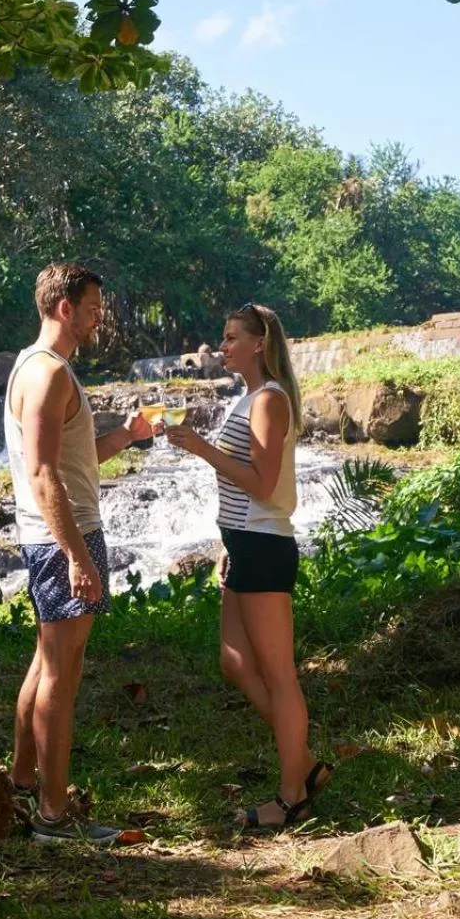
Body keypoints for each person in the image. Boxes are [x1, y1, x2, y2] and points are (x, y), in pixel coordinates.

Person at [164, 302, 333, 829]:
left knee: (279, 675)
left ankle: (292, 797)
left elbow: (261, 485)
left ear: (259, 344)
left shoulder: (269, 401)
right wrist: (224, 543)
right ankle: (303, 762)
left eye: (232, 337)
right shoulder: (249, 397)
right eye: (223, 337)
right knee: (235, 662)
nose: (223, 345)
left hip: (264, 546)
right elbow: (249, 492)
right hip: (242, 542)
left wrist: (199, 448)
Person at [5, 262, 155, 844]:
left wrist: (129, 435)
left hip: (56, 532)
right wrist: (76, 555)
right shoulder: (49, 376)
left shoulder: (36, 367)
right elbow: (43, 474)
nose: (99, 318)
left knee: (47, 664)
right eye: (93, 308)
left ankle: (19, 788)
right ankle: (52, 815)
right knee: (62, 678)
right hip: (61, 535)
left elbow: (72, 456)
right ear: (64, 308)